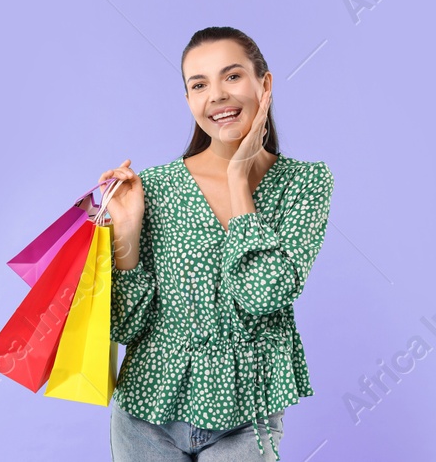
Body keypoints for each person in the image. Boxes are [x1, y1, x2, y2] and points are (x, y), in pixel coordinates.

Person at [99, 26, 333, 460]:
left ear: (264, 84)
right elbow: (125, 329)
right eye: (199, 84)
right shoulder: (154, 187)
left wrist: (237, 178)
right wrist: (127, 235)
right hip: (144, 416)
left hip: (246, 417)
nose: (217, 95)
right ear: (189, 101)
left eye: (232, 76)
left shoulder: (305, 183)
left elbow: (263, 293)